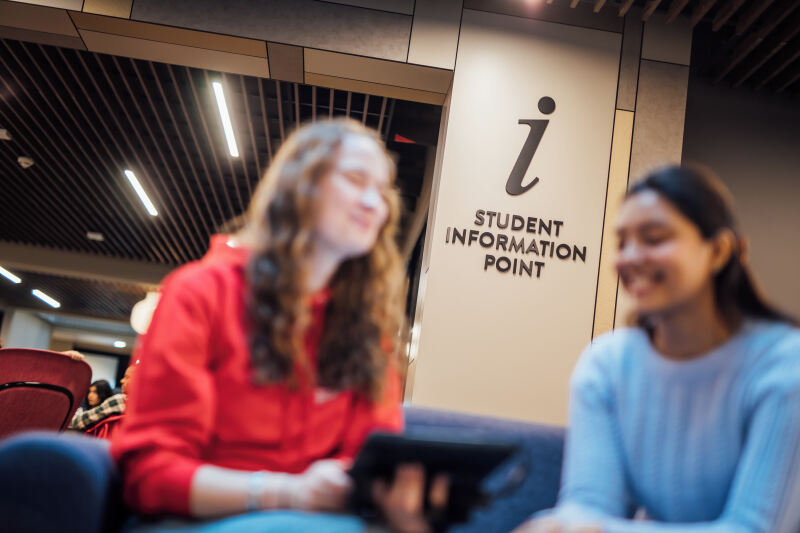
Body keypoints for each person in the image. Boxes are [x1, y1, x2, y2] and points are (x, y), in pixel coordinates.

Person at [111, 119, 446, 533]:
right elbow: (150, 475)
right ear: (299, 184)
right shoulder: (198, 292)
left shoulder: (362, 327)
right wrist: (289, 492)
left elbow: (370, 459)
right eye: (357, 179)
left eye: (382, 192)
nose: (374, 204)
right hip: (194, 520)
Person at [515, 165, 800, 533]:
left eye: (653, 238)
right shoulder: (606, 364)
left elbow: (752, 529)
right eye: (622, 242)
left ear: (718, 251)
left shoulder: (783, 364)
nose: (631, 257)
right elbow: (589, 506)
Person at [69, 364, 136, 432]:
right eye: (90, 392)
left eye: (127, 377)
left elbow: (77, 421)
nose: (122, 381)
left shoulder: (120, 400)